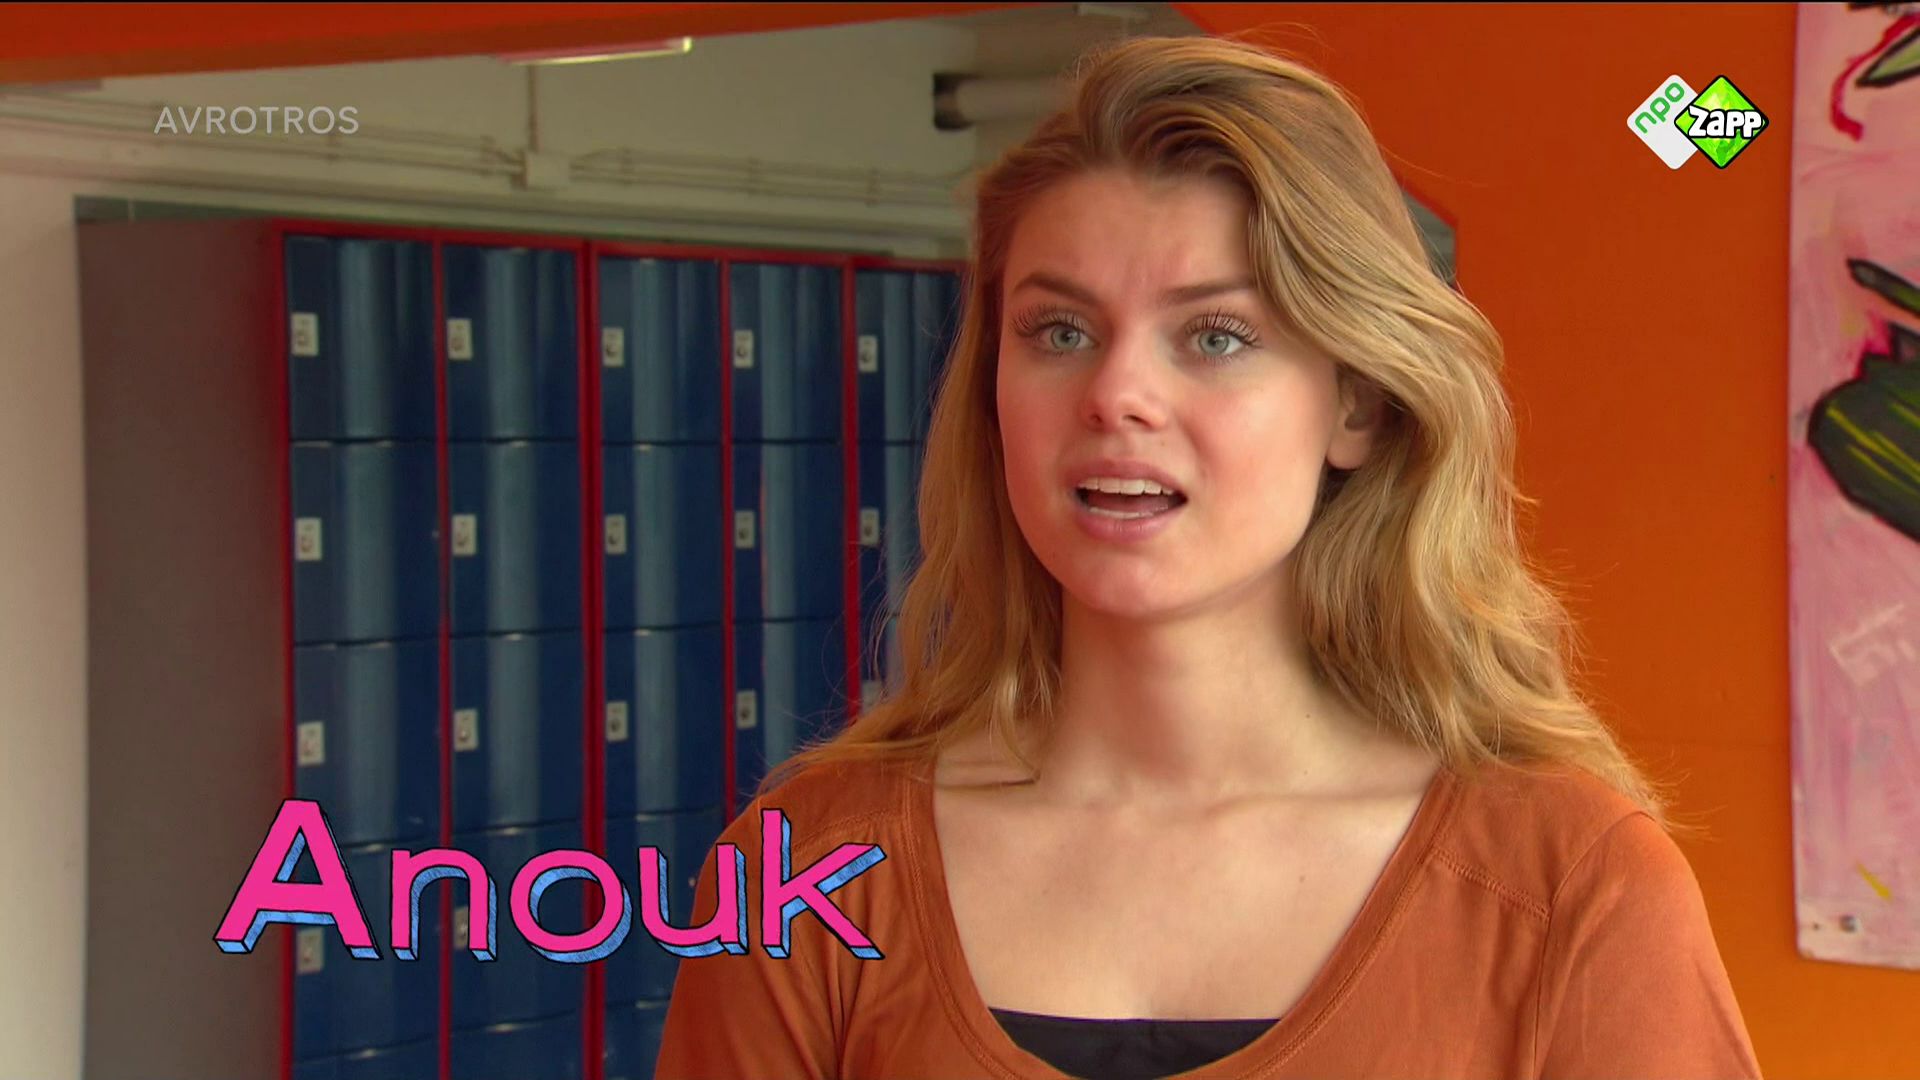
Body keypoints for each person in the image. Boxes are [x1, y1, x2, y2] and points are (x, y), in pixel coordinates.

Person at [654, 34, 1761, 1080]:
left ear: (1358, 404)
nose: (1117, 395)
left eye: (1217, 336)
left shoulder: (1568, 884)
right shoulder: (807, 870)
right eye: (1060, 332)